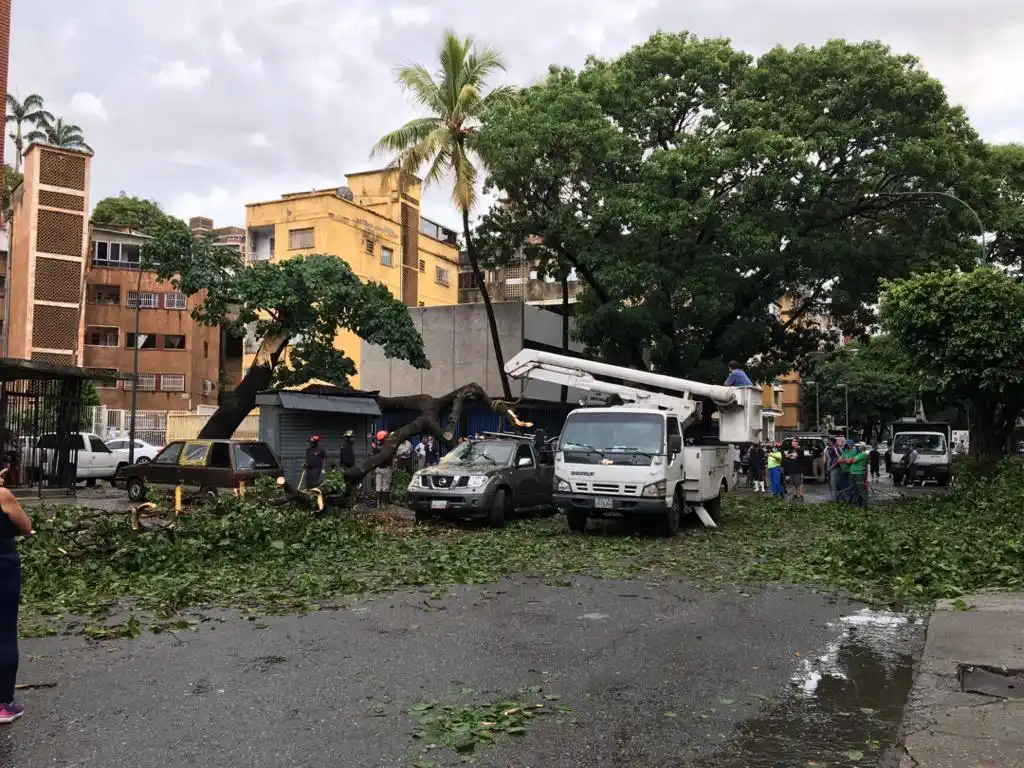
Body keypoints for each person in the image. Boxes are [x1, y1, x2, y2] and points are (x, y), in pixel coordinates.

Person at [0, 471, 34, 723]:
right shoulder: (3, 496)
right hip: (3, 568)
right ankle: (3, 704)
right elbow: (26, 526)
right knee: (4, 635)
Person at [844, 442, 870, 507]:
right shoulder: (859, 454)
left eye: (858, 446)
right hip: (853, 473)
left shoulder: (864, 454)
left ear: (862, 447)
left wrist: (851, 459)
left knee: (861, 489)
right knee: (855, 489)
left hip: (859, 474)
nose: (856, 447)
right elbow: (850, 460)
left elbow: (853, 460)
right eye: (856, 446)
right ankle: (858, 503)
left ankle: (864, 505)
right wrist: (851, 459)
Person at [373, 430, 393, 506]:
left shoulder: (376, 448)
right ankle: (384, 503)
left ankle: (378, 503)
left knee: (378, 485)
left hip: (378, 468)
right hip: (386, 468)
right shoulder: (388, 447)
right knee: (386, 486)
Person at [784, 438, 806, 502]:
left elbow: (795, 457)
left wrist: (790, 456)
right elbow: (786, 456)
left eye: (793, 441)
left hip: (798, 469)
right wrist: (791, 454)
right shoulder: (791, 449)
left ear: (797, 442)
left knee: (799, 483)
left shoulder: (800, 450)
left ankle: (801, 496)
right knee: (793, 483)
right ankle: (795, 495)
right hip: (792, 469)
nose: (792, 442)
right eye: (792, 441)